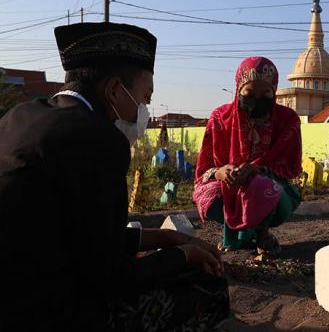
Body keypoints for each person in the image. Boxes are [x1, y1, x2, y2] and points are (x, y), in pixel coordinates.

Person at [0, 22, 229, 332]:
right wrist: (183, 256)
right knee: (207, 289)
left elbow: (83, 235)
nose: (144, 111)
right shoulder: (99, 140)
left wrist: (167, 237)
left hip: (19, 282)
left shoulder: (21, 115)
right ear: (113, 90)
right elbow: (110, 276)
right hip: (39, 311)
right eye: (145, 98)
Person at [193, 56, 302, 254]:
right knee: (209, 195)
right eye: (249, 92)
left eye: (265, 93)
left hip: (276, 190)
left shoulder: (287, 120)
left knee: (261, 185)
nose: (257, 99)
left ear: (274, 91)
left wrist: (255, 170)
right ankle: (233, 234)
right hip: (227, 185)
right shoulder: (220, 118)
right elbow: (204, 171)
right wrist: (221, 172)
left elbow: (290, 167)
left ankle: (263, 234)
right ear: (238, 90)